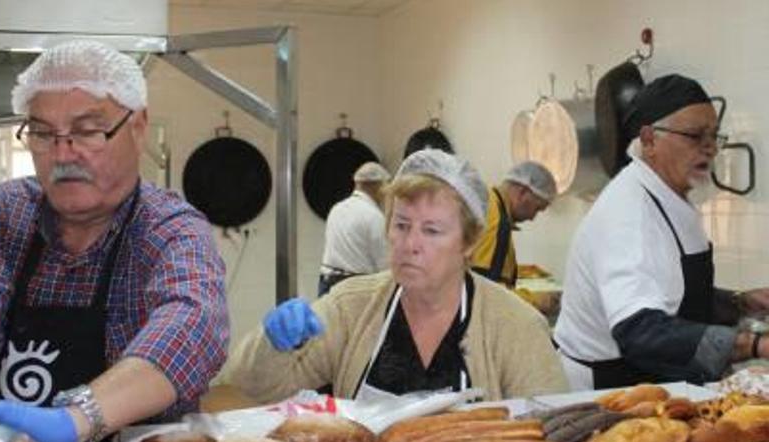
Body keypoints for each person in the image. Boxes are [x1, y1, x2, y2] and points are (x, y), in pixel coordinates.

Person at [0, 40, 229, 442]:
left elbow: (192, 326)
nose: (63, 154)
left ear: (137, 127)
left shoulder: (170, 228)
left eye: (88, 131)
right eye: (43, 133)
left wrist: (73, 421)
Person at [228, 149, 567, 403]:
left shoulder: (515, 326)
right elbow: (256, 387)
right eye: (401, 225)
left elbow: (548, 434)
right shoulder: (352, 307)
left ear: (468, 243)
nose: (410, 244)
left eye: (432, 231)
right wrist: (271, 345)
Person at [553, 74, 769, 390]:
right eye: (696, 135)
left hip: (655, 379)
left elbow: (673, 295)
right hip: (613, 389)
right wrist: (754, 345)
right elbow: (640, 330)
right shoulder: (627, 213)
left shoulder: (668, 197)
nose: (710, 148)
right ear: (650, 139)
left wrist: (740, 303)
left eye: (714, 136)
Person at [469, 160, 559, 315]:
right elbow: (485, 293)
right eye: (536, 208)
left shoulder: (489, 202)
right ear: (523, 192)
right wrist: (535, 301)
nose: (532, 218)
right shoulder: (496, 221)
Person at [318, 161, 391, 296]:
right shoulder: (374, 217)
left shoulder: (337, 209)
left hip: (327, 283)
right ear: (379, 187)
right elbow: (383, 265)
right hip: (355, 289)